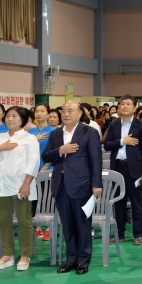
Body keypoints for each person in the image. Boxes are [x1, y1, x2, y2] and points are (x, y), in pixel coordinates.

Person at [42, 101, 102, 275]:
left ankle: (83, 260)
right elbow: (46, 155)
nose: (66, 114)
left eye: (70, 111)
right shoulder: (55, 134)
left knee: (82, 224)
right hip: (60, 184)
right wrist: (60, 150)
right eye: (64, 111)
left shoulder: (89, 132)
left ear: (79, 113)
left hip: (82, 184)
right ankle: (71, 260)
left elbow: (95, 160)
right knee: (67, 224)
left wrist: (96, 184)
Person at [0, 106, 40, 271]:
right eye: (8, 116)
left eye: (14, 116)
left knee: (24, 221)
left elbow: (33, 162)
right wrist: (0, 147)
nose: (10, 119)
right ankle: (8, 254)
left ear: (23, 120)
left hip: (20, 186)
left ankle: (25, 254)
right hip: (0, 185)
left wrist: (26, 184)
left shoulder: (29, 138)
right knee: (4, 220)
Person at [104, 95, 142, 245]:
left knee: (137, 201)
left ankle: (139, 234)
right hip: (117, 167)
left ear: (134, 108)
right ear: (119, 108)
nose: (124, 106)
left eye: (128, 104)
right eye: (122, 104)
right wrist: (121, 142)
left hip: (135, 169)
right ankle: (119, 234)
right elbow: (107, 145)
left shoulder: (141, 125)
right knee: (119, 202)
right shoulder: (114, 125)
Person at [29, 103, 56, 240]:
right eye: (37, 111)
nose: (39, 113)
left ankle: (50, 227)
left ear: (48, 114)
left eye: (42, 111)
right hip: (32, 171)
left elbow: (55, 151)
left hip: (49, 169)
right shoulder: (30, 132)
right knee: (35, 198)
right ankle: (37, 227)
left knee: (48, 199)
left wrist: (45, 167)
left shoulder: (54, 131)